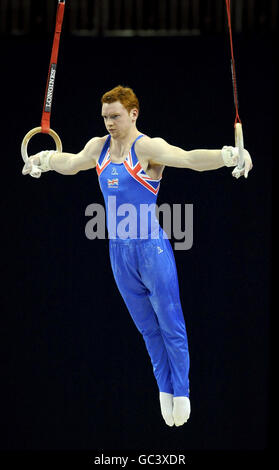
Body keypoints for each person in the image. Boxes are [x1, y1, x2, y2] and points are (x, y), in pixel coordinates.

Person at [22, 85, 253, 427]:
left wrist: (227, 155)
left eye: (115, 116)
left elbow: (188, 159)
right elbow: (70, 163)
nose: (109, 123)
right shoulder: (98, 147)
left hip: (151, 248)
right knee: (147, 329)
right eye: (105, 117)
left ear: (133, 114)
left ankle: (182, 391)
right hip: (118, 253)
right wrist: (42, 160)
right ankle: (164, 389)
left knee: (171, 324)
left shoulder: (147, 147)